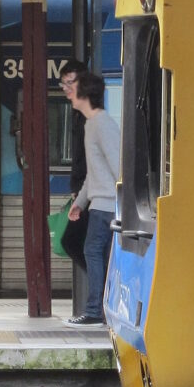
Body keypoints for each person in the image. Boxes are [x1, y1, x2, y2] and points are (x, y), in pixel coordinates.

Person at [64, 72, 120, 328]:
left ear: (85, 93)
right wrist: (81, 203)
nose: (68, 91)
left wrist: (123, 203)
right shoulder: (92, 124)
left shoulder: (102, 124)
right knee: (100, 254)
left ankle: (96, 311)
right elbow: (94, 173)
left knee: (93, 251)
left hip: (107, 204)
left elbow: (118, 165)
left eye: (72, 87)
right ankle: (103, 310)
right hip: (100, 203)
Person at [57, 61, 89, 269]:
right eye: (64, 83)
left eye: (71, 83)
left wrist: (81, 192)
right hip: (84, 190)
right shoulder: (78, 113)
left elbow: (90, 158)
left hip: (92, 192)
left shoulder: (90, 113)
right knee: (82, 243)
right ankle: (102, 288)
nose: (67, 88)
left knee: (71, 241)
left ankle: (103, 287)